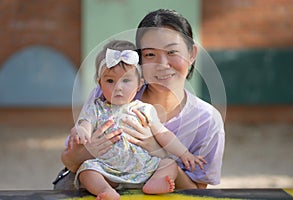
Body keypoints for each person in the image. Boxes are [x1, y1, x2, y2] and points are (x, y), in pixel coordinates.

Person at [53, 8, 225, 191]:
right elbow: (69, 161)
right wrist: (90, 148)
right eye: (150, 54)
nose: (162, 65)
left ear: (191, 54)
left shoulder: (207, 120)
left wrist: (158, 151)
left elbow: (197, 191)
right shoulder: (108, 93)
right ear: (139, 60)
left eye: (172, 52)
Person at [73, 40, 206, 199]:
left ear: (139, 84)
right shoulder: (96, 108)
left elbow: (163, 134)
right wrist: (81, 131)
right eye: (110, 81)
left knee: (169, 164)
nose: (118, 87)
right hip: (107, 168)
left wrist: (185, 154)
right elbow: (84, 123)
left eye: (126, 80)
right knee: (86, 170)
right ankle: (105, 190)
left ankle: (155, 184)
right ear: (100, 84)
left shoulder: (145, 109)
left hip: (143, 168)